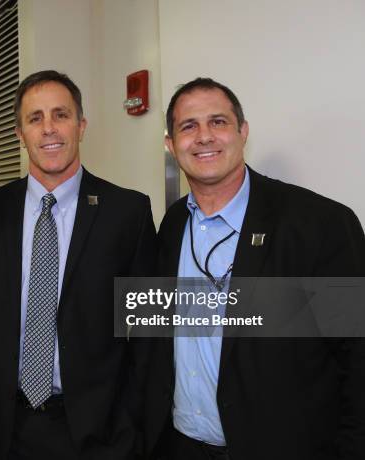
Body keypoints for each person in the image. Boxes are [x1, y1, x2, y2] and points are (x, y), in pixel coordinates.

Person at [145, 77, 365, 460]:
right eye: (188, 126)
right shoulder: (172, 224)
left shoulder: (318, 223)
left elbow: (356, 356)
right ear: (170, 144)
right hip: (180, 447)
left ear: (242, 132)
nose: (204, 137)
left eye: (218, 122)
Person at [0, 70, 156, 459]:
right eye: (35, 118)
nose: (49, 129)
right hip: (6, 430)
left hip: (99, 434)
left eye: (61, 115)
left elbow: (145, 334)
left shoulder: (128, 212)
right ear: (19, 134)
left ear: (81, 125)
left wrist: (130, 426)